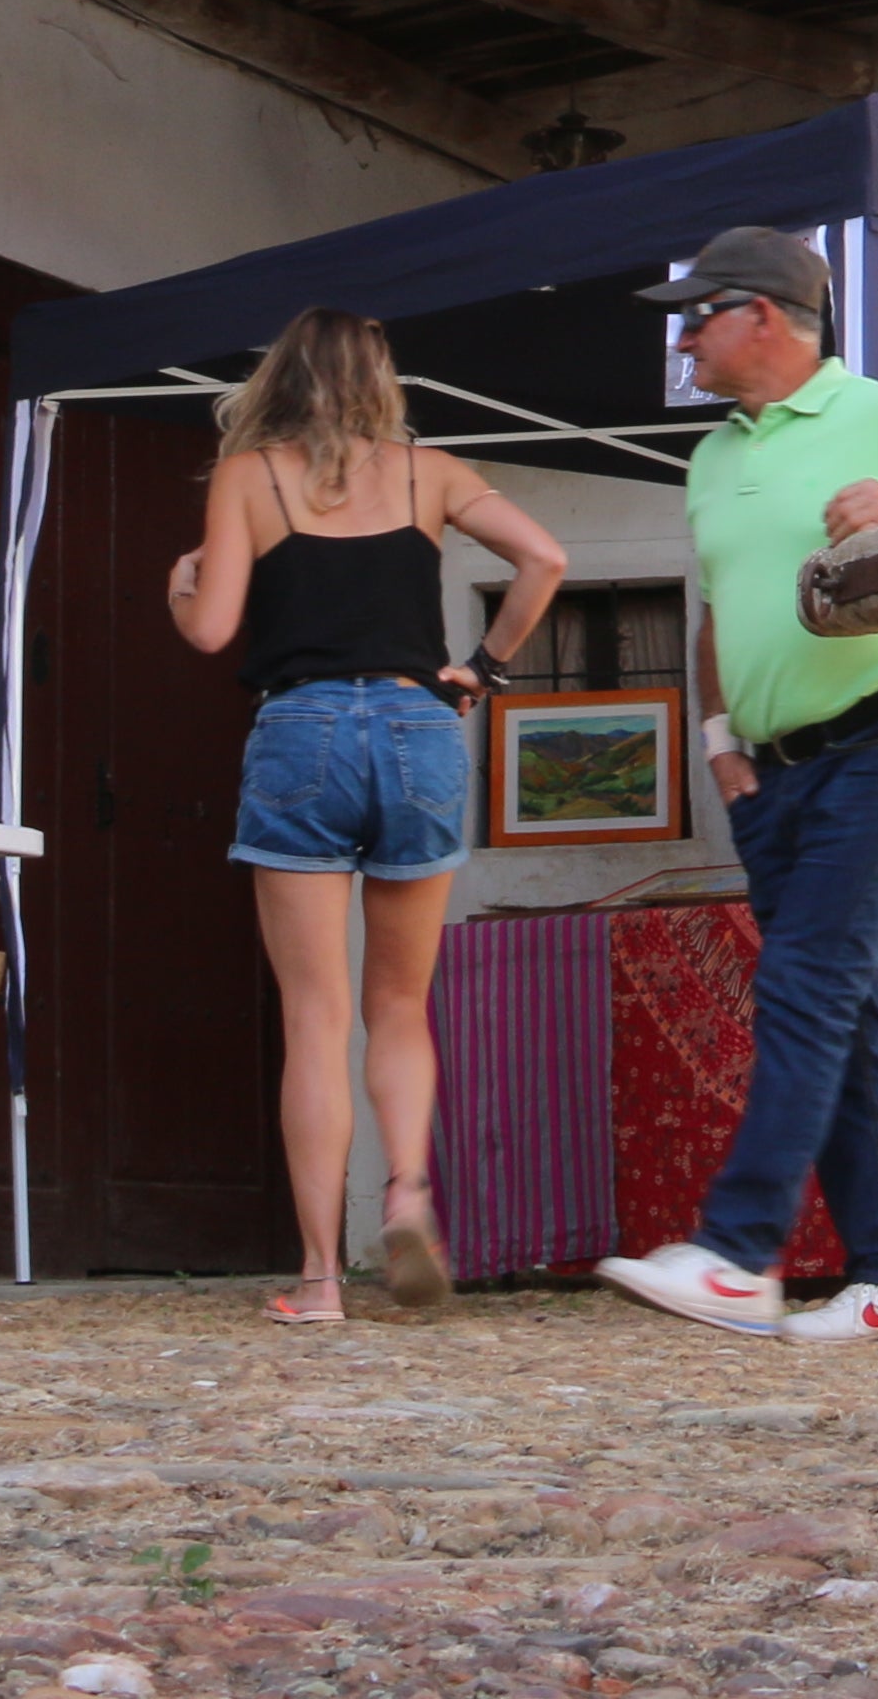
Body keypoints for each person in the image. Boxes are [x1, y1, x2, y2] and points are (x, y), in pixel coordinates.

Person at [593, 227, 878, 1347]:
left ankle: (735, 1253)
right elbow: (722, 609)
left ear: (763, 317)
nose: (681, 340)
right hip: (770, 781)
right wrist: (722, 746)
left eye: (697, 314)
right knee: (842, 1008)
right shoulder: (709, 458)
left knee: (810, 987)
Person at [167, 306, 568, 1326]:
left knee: (314, 1017)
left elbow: (212, 631)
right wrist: (484, 668)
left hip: (302, 731)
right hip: (417, 727)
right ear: (379, 378)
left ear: (280, 378)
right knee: (399, 1005)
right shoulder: (428, 470)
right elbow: (545, 560)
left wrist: (181, 589)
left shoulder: (249, 476)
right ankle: (409, 1191)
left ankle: (317, 1283)